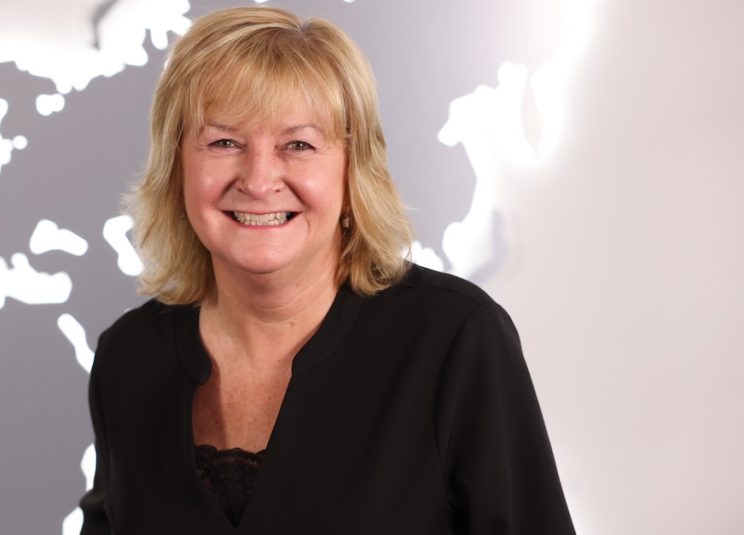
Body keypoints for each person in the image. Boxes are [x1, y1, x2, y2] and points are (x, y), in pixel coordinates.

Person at [79, 6, 575, 534]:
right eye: (224, 142)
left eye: (298, 144)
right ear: (176, 162)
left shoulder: (453, 340)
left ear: (352, 168)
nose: (259, 180)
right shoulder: (129, 358)